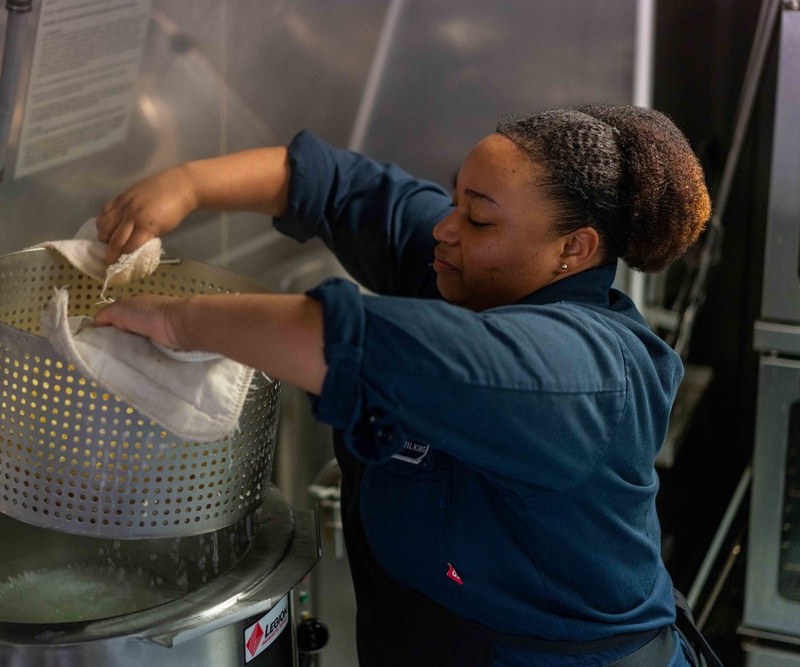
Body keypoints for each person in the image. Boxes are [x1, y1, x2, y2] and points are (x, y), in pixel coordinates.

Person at [93, 105, 713, 666]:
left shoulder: (581, 375)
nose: (445, 229)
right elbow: (340, 186)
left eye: (478, 218)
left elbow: (353, 344)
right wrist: (186, 185)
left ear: (573, 250)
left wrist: (177, 320)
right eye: (455, 202)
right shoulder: (467, 274)